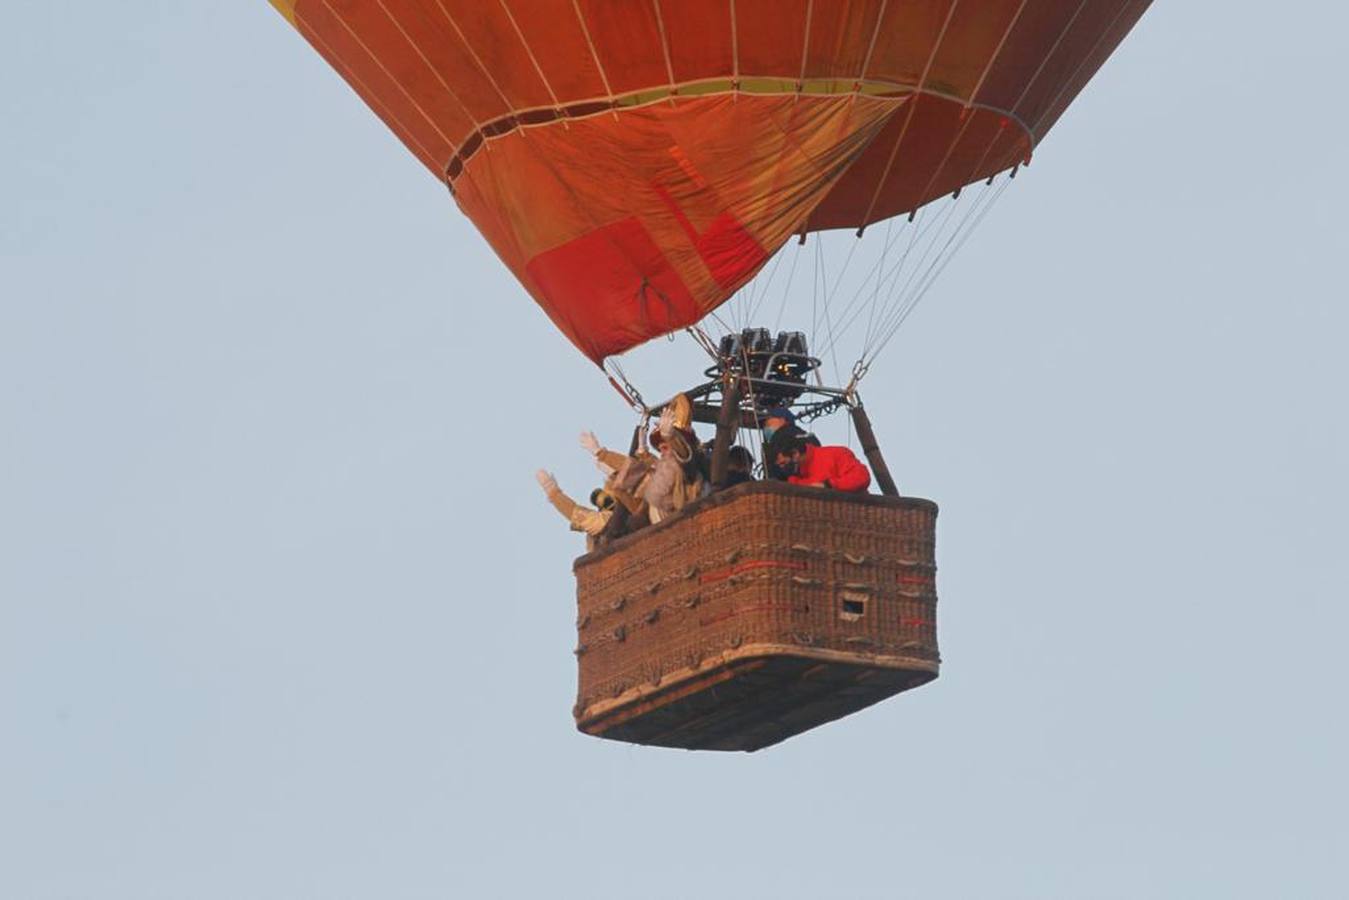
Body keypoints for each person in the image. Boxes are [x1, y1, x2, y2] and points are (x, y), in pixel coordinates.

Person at [767, 430, 872, 493]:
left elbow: (862, 477)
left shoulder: (836, 454)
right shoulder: (794, 479)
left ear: (795, 453)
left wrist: (828, 485)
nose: (783, 468)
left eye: (783, 463)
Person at [535, 470, 615, 550]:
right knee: (590, 520)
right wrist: (554, 494)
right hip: (608, 539)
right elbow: (577, 514)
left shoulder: (613, 494)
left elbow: (614, 480)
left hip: (621, 509)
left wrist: (607, 461)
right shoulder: (602, 518)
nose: (608, 501)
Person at [760, 406, 819, 480]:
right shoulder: (810, 436)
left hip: (789, 486)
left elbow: (773, 472)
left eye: (768, 422)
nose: (765, 426)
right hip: (816, 483)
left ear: (782, 420)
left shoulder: (779, 437)